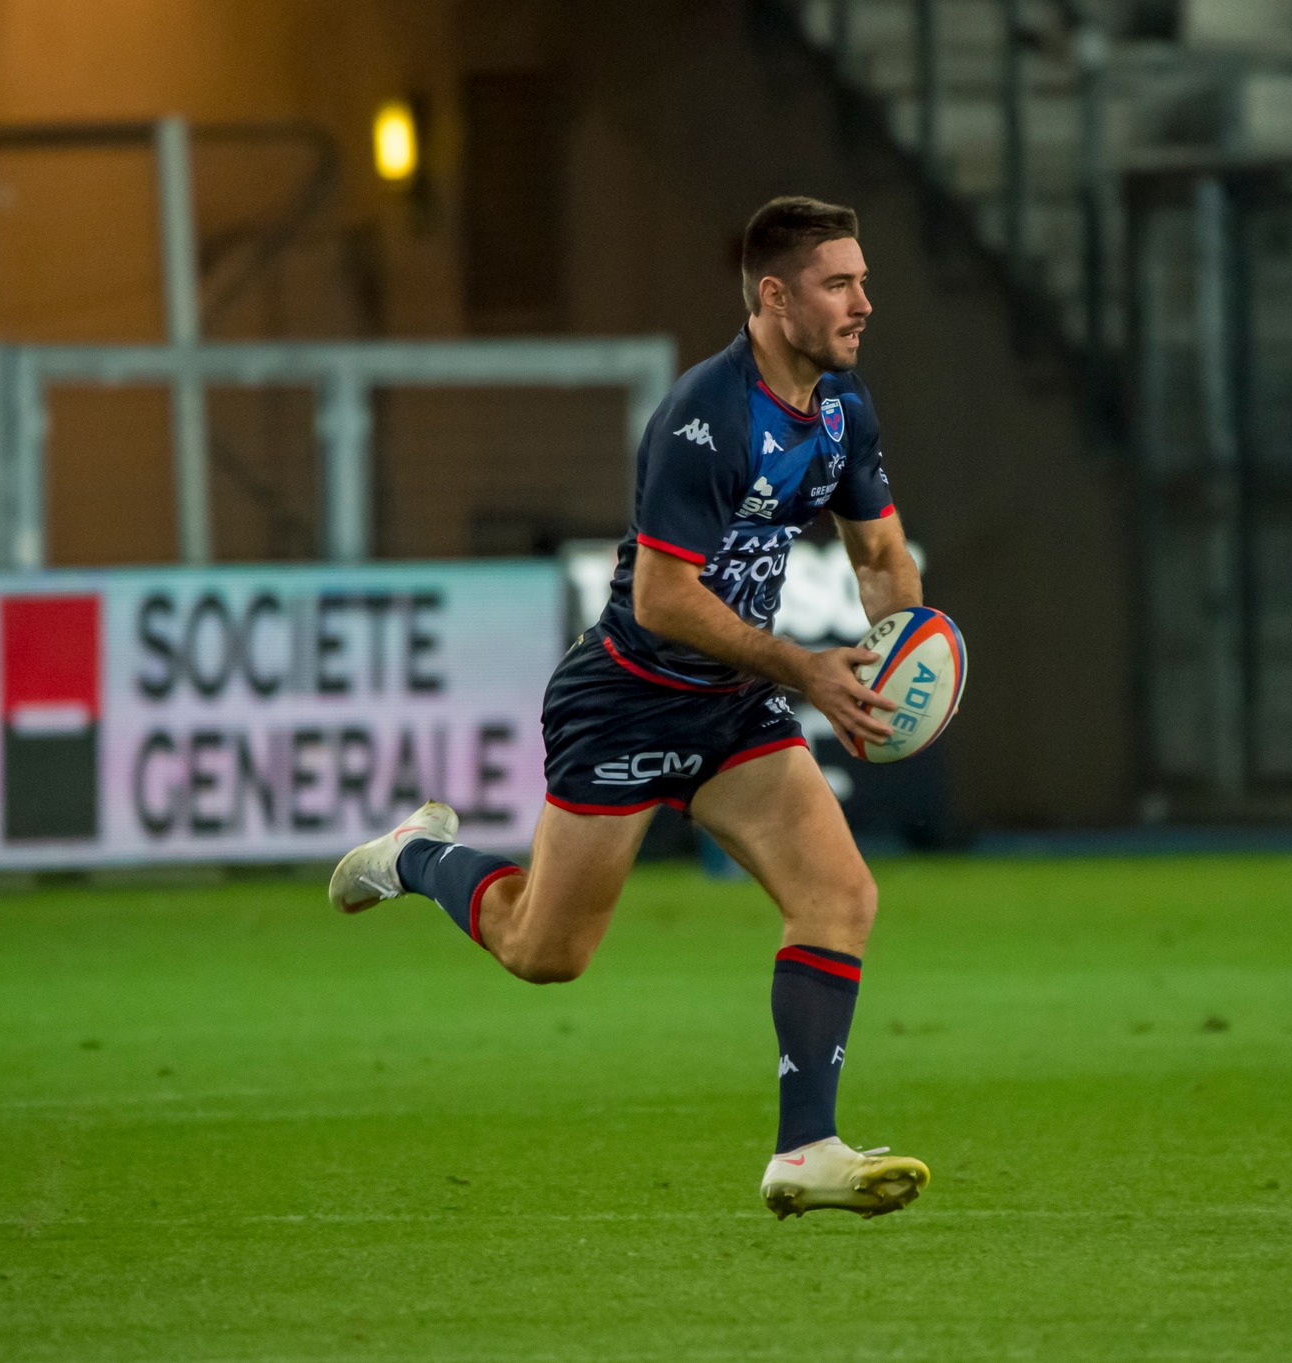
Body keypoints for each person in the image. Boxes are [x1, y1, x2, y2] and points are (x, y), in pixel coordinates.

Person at [326, 196, 931, 1221]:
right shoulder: (706, 417)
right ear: (774, 297)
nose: (862, 302)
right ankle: (414, 856)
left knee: (840, 897)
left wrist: (895, 660)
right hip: (627, 704)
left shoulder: (840, 409)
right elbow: (661, 598)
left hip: (730, 708)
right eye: (840, 283)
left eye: (864, 280)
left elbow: (879, 555)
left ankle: (804, 1149)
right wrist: (804, 668)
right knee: (543, 952)